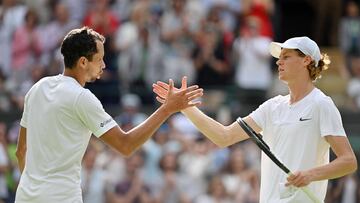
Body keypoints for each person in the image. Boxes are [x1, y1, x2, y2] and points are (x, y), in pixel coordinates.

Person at [153, 36, 358, 202]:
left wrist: (310, 174)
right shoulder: (272, 106)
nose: (279, 61)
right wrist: (185, 108)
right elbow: (223, 137)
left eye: (286, 56)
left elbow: (348, 162)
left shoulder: (322, 104)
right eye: (280, 57)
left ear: (306, 60)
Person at [14, 26, 203, 203]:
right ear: (83, 62)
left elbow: (21, 150)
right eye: (100, 59)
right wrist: (167, 109)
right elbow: (125, 145)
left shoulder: (37, 88)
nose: (104, 65)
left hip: (24, 196)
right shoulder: (82, 98)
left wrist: (32, 188)